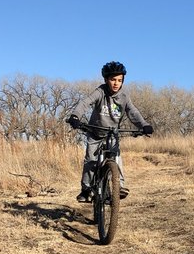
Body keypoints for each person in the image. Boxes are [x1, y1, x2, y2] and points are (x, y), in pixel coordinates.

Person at [66, 61, 154, 202]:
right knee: (91, 160)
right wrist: (75, 116)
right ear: (106, 80)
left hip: (112, 134)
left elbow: (133, 111)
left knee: (116, 159)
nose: (116, 83)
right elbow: (85, 102)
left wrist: (144, 125)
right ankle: (86, 189)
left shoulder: (124, 96)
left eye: (119, 80)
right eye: (113, 79)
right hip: (95, 133)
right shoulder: (100, 92)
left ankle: (118, 187)